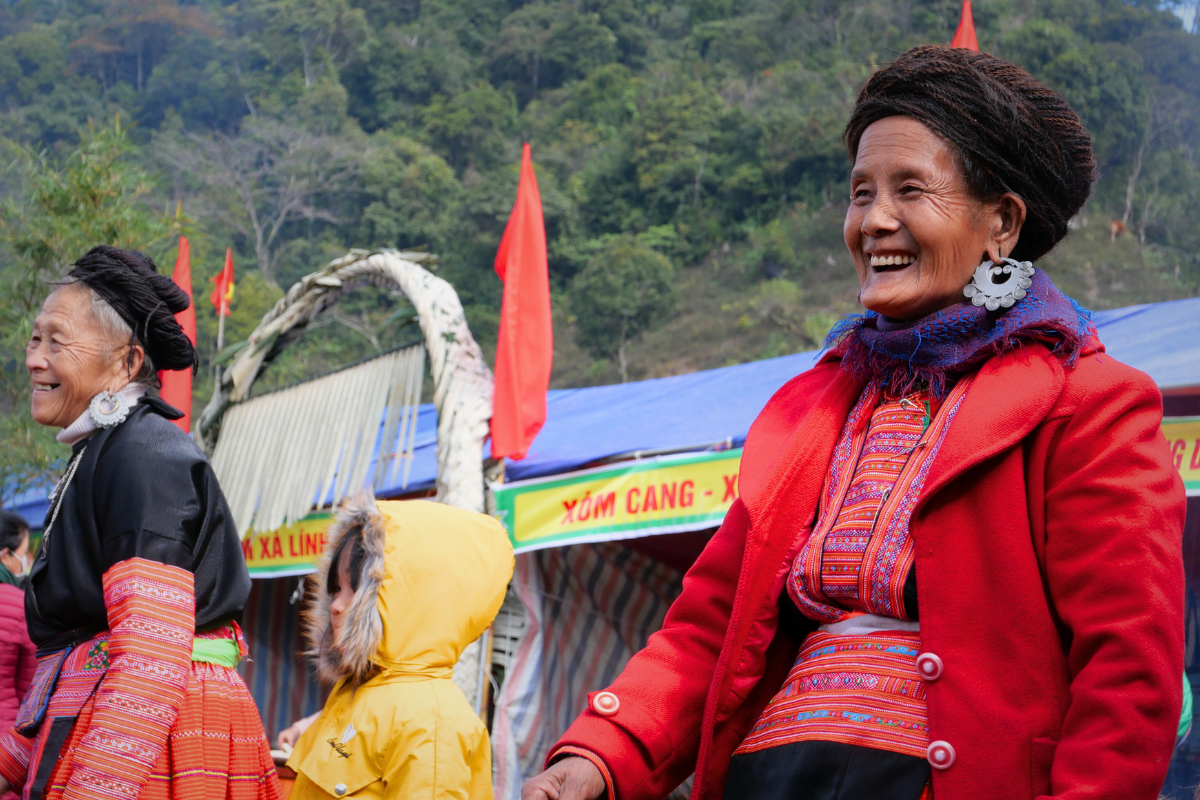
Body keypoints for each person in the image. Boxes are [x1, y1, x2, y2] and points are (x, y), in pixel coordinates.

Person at [521, 45, 1186, 800]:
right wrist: (600, 756)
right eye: (860, 193)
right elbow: (708, 630)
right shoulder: (814, 409)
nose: (874, 222)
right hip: (770, 780)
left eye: (910, 190)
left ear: (1001, 222)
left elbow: (1127, 665)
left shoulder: (1088, 405)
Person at [0, 245, 280, 799]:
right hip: (123, 721)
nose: (35, 357)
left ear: (126, 363)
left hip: (157, 739)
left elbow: (151, 653)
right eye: (36, 338)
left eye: (58, 340)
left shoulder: (143, 456)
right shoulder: (106, 452)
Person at [286, 492, 513, 799]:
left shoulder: (432, 724)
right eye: (336, 589)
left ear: (412, 599)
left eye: (355, 589)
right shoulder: (363, 687)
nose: (336, 606)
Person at [0, 513, 34, 800]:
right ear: (4, 555)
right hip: (4, 746)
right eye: (23, 554)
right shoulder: (20, 605)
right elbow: (30, 689)